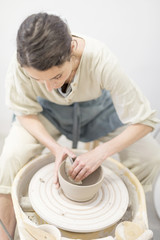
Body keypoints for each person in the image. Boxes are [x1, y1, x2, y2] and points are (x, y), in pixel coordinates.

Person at [0, 12, 160, 239]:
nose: (48, 87)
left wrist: (101, 153)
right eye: (38, 80)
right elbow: (24, 112)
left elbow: (146, 120)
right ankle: (5, 233)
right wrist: (55, 148)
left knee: (150, 155)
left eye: (56, 77)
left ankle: (121, 219)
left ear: (72, 51)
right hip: (48, 113)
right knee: (10, 156)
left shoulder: (100, 59)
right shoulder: (23, 63)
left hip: (98, 112)